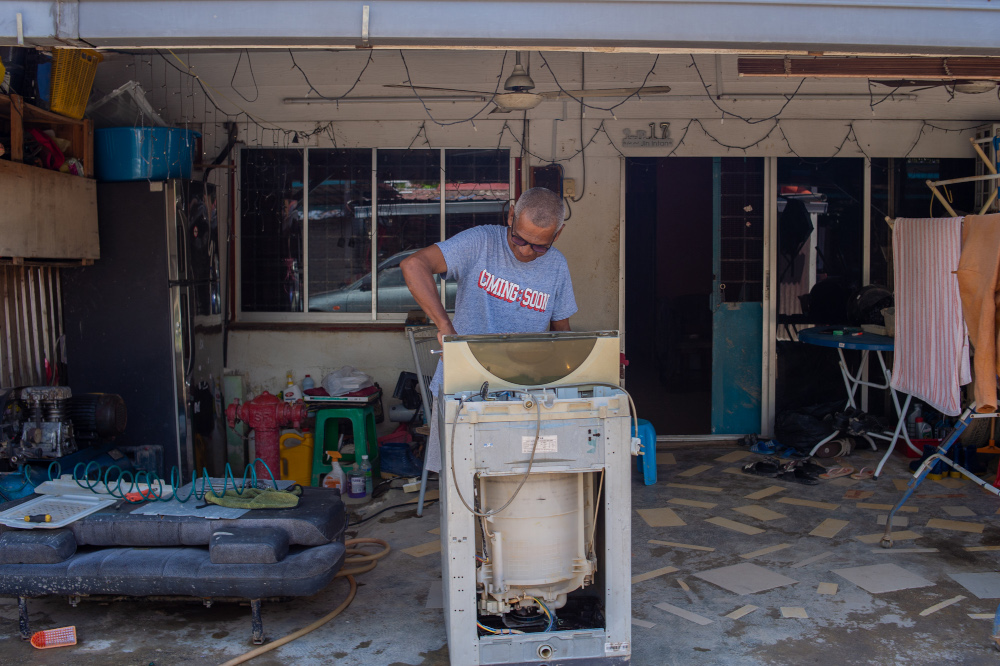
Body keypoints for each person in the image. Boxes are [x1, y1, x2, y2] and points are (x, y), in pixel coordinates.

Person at [401, 186, 578, 473]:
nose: (525, 251)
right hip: (466, 387)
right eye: (519, 238)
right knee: (462, 480)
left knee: (520, 476)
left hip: (525, 392)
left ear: (557, 235)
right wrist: (445, 326)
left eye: (539, 246)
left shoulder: (557, 265)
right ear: (511, 215)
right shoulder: (481, 242)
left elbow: (562, 332)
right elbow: (413, 265)